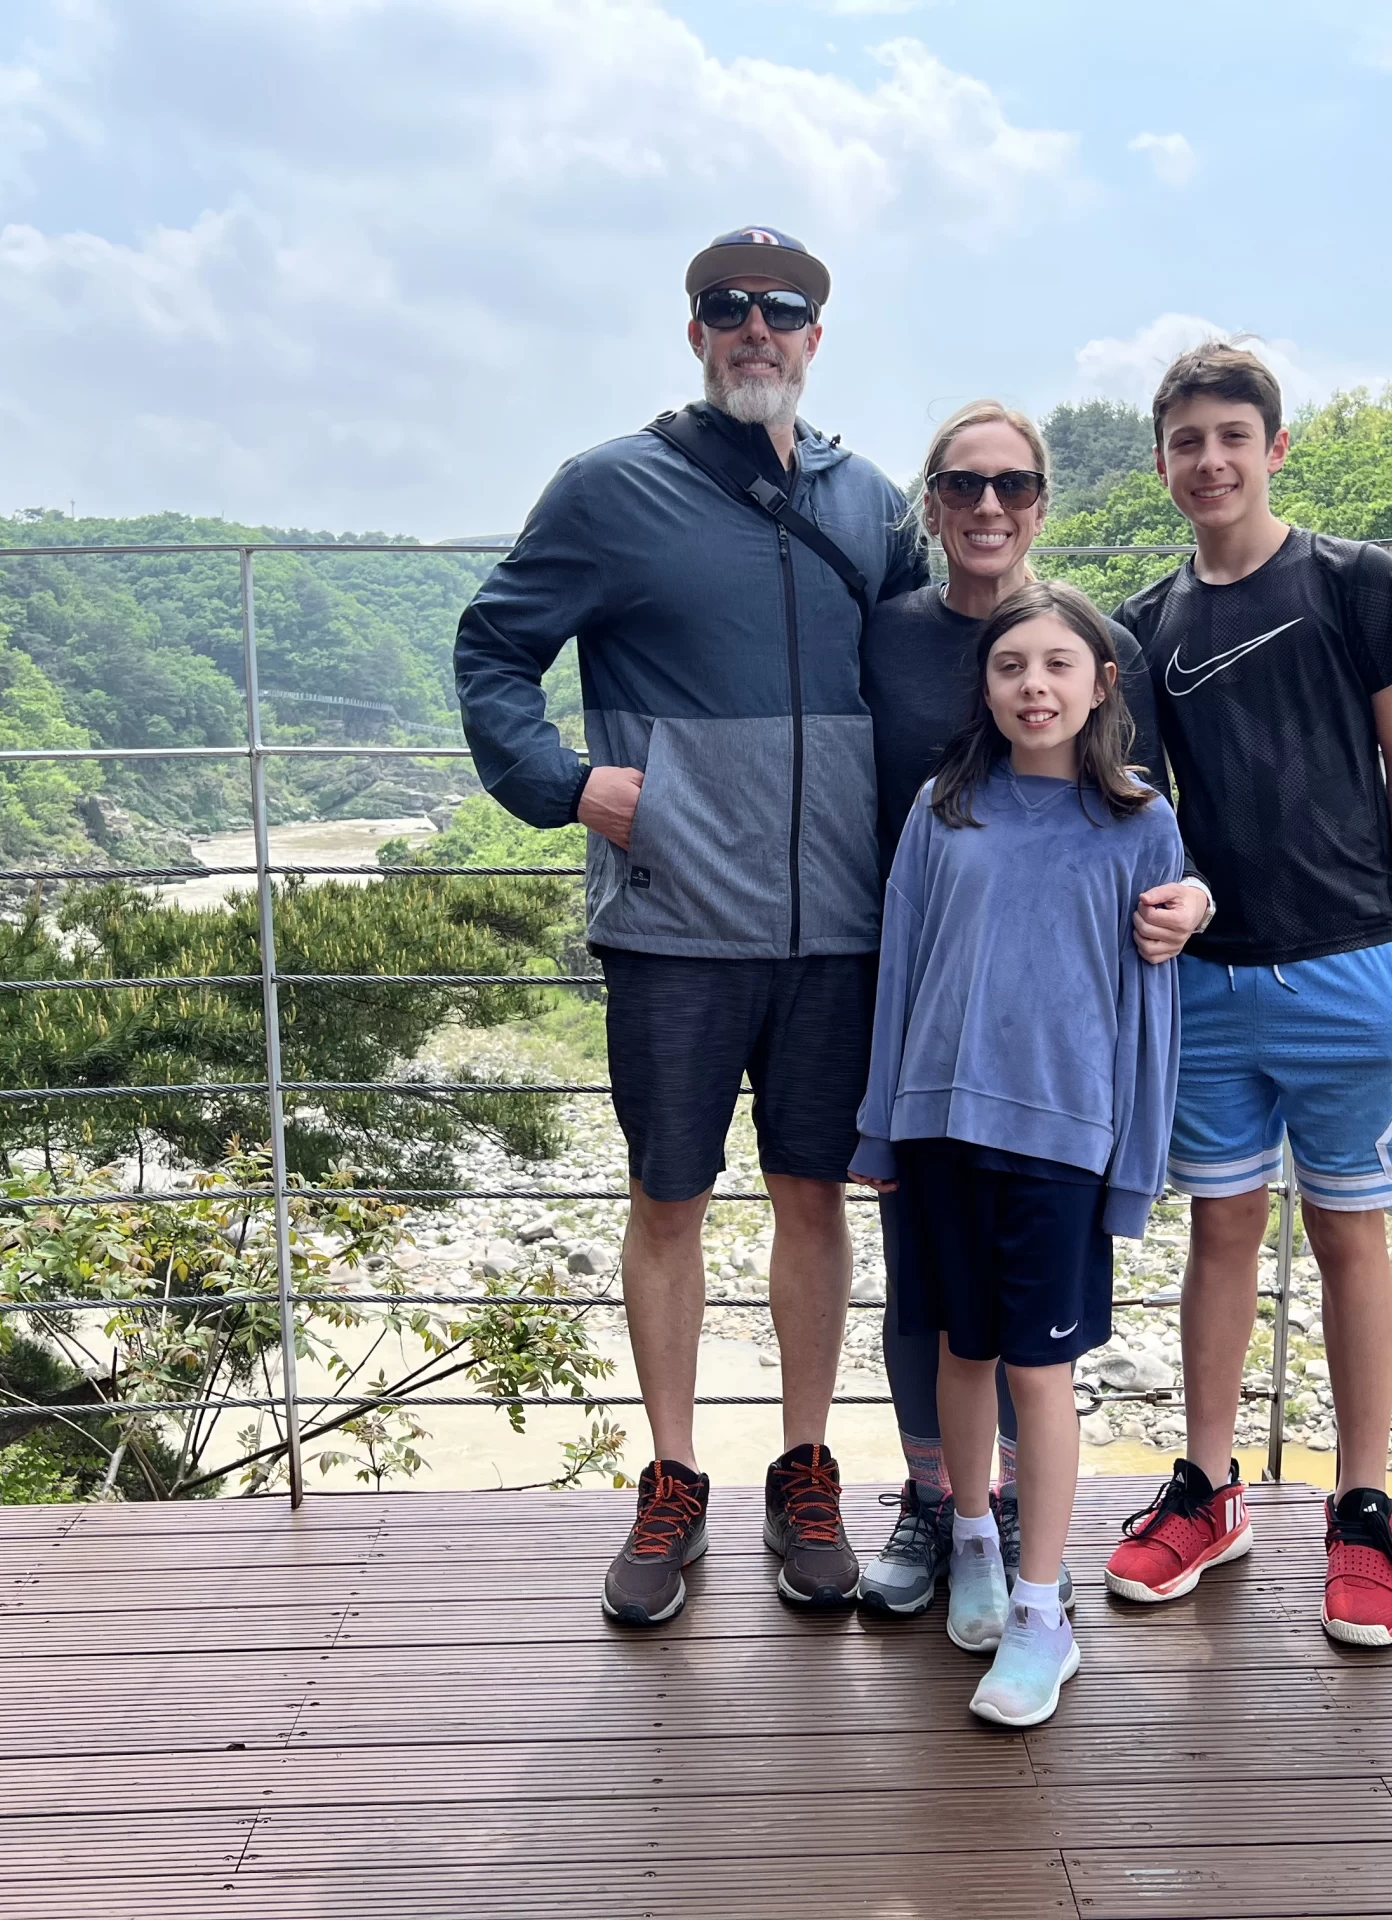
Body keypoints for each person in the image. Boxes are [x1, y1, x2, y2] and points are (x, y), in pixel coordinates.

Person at [453, 227, 929, 1626]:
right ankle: (672, 1479)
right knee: (669, 1198)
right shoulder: (613, 488)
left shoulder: (869, 501)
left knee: (809, 1195)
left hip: (838, 922)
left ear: (816, 339)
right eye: (727, 308)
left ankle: (803, 1467)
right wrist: (560, 783)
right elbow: (494, 646)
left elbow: (940, 673)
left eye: (782, 311)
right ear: (695, 332)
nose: (755, 328)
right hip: (670, 921)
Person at [1105, 341, 1392, 1647]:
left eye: (1231, 437)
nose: (1210, 461)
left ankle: (1365, 1509)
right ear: (1162, 464)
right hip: (1212, 981)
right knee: (1223, 1229)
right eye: (1186, 442)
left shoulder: (1357, 581)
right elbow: (1141, 808)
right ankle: (1210, 1486)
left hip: (1356, 963)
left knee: (1352, 1235)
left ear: (1274, 448)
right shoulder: (1148, 626)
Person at [850, 399, 1205, 1619]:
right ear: (932, 501)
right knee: (940, 1326)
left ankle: (1032, 1580)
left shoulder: (1127, 790)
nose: (985, 506)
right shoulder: (924, 755)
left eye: (1010, 485)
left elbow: (1154, 918)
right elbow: (901, 946)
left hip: (1059, 1115)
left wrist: (1135, 1164)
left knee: (1038, 1364)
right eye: (960, 485)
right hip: (939, 1087)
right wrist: (878, 1121)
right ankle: (952, 1524)